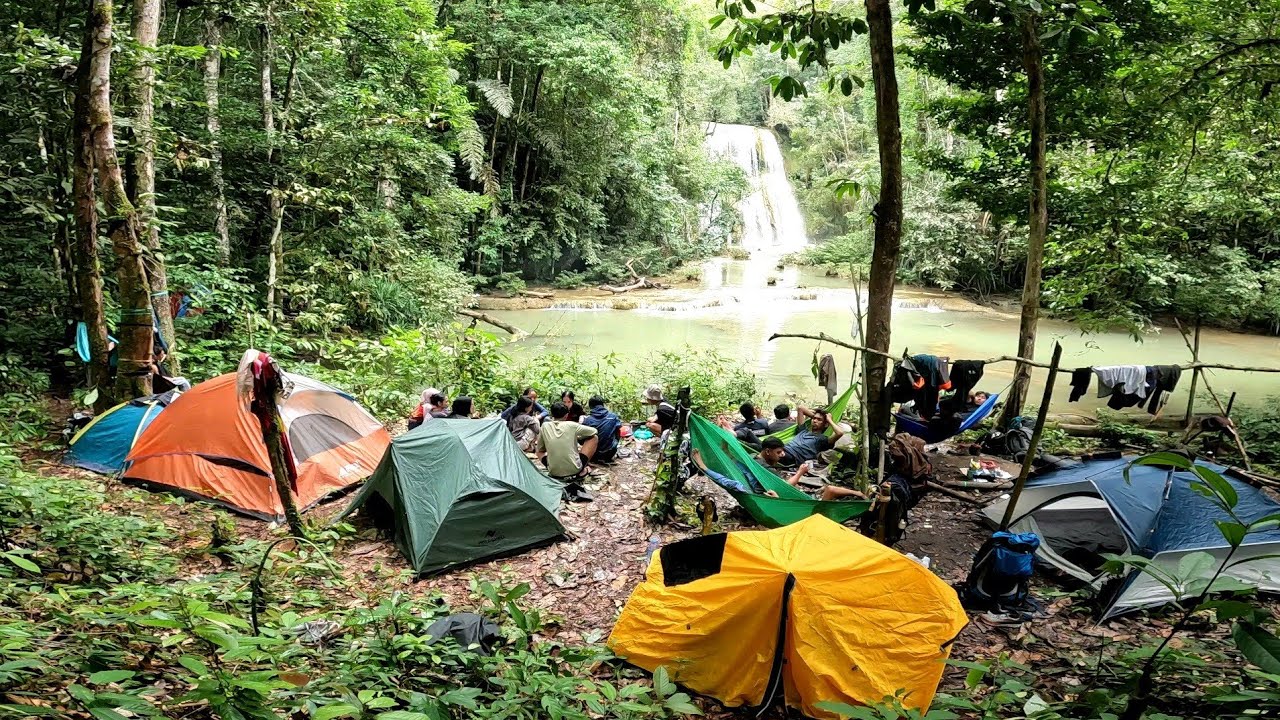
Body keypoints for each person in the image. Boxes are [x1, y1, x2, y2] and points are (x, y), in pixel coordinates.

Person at [536, 401, 598, 481]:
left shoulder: (545, 426)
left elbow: (540, 449)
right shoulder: (572, 425)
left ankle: (553, 467)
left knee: (538, 450)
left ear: (552, 414)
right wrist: (578, 436)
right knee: (594, 438)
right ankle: (581, 470)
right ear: (566, 415)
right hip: (574, 471)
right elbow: (594, 431)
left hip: (554, 472)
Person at [690, 448, 777, 497]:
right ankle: (729, 455)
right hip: (760, 488)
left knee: (735, 484)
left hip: (758, 495)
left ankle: (704, 467)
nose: (782, 454)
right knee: (747, 472)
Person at [581, 395, 621, 463]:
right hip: (610, 452)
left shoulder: (587, 420)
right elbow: (618, 432)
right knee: (617, 430)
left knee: (585, 436)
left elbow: (581, 440)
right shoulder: (613, 417)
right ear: (603, 405)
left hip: (593, 454)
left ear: (590, 407)